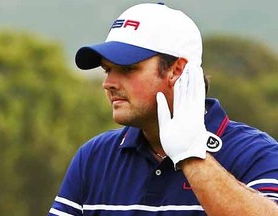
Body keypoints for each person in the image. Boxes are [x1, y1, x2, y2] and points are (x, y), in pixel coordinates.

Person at [48, 3, 278, 216]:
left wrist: (191, 157)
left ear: (177, 70)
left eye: (127, 68)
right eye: (108, 69)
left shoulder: (255, 153)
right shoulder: (94, 157)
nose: (108, 83)